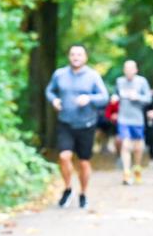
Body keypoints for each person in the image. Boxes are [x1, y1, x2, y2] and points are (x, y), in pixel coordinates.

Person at [45, 45, 109, 210]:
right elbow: (49, 91)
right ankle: (67, 189)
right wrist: (54, 100)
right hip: (65, 122)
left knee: (84, 162)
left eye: (79, 55)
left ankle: (83, 193)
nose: (76, 57)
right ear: (69, 57)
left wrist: (89, 98)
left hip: (86, 124)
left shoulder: (93, 76)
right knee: (64, 156)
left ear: (85, 57)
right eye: (73, 54)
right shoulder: (59, 74)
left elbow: (104, 97)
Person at [113, 60, 152, 185]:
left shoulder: (142, 81)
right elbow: (116, 95)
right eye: (126, 68)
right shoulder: (119, 81)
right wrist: (114, 97)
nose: (129, 71)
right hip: (123, 118)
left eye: (131, 68)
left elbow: (149, 99)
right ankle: (126, 172)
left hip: (137, 119)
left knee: (138, 148)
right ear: (124, 70)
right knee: (125, 145)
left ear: (136, 70)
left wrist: (138, 97)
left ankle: (137, 168)